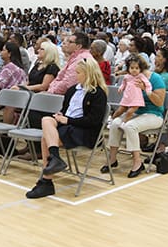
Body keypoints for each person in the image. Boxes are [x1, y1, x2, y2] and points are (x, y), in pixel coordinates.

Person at [25, 58, 108, 199]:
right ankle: (55, 158)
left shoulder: (98, 93)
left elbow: (93, 121)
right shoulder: (72, 90)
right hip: (68, 125)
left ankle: (46, 181)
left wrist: (68, 120)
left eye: (78, 72)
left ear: (88, 73)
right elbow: (65, 110)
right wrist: (60, 116)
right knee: (46, 120)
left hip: (84, 130)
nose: (76, 75)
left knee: (46, 138)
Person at [111, 54, 152, 123]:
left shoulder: (140, 76)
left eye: (137, 68)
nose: (134, 70)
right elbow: (124, 83)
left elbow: (148, 84)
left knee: (130, 112)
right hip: (127, 97)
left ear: (140, 69)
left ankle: (125, 122)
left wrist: (148, 90)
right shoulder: (127, 76)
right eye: (132, 68)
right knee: (120, 110)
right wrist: (121, 87)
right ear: (128, 69)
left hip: (136, 98)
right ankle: (112, 120)